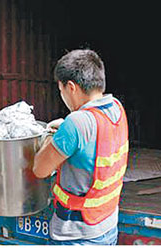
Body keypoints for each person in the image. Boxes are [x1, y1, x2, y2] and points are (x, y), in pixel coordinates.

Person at [33, 49, 128, 245]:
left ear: (71, 87)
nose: (62, 96)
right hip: (107, 226)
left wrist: (52, 133)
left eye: (61, 90)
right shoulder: (117, 108)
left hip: (77, 235)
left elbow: (39, 170)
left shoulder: (76, 123)